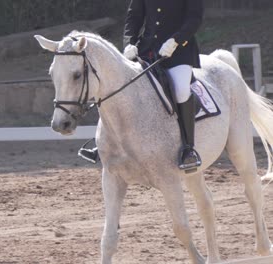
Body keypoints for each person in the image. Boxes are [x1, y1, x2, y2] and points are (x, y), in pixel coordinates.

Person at [78, 0, 204, 172]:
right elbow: (134, 18)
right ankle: (103, 143)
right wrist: (129, 42)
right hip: (147, 50)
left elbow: (194, 19)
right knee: (119, 85)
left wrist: (176, 40)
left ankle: (189, 149)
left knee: (181, 90)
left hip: (179, 53)